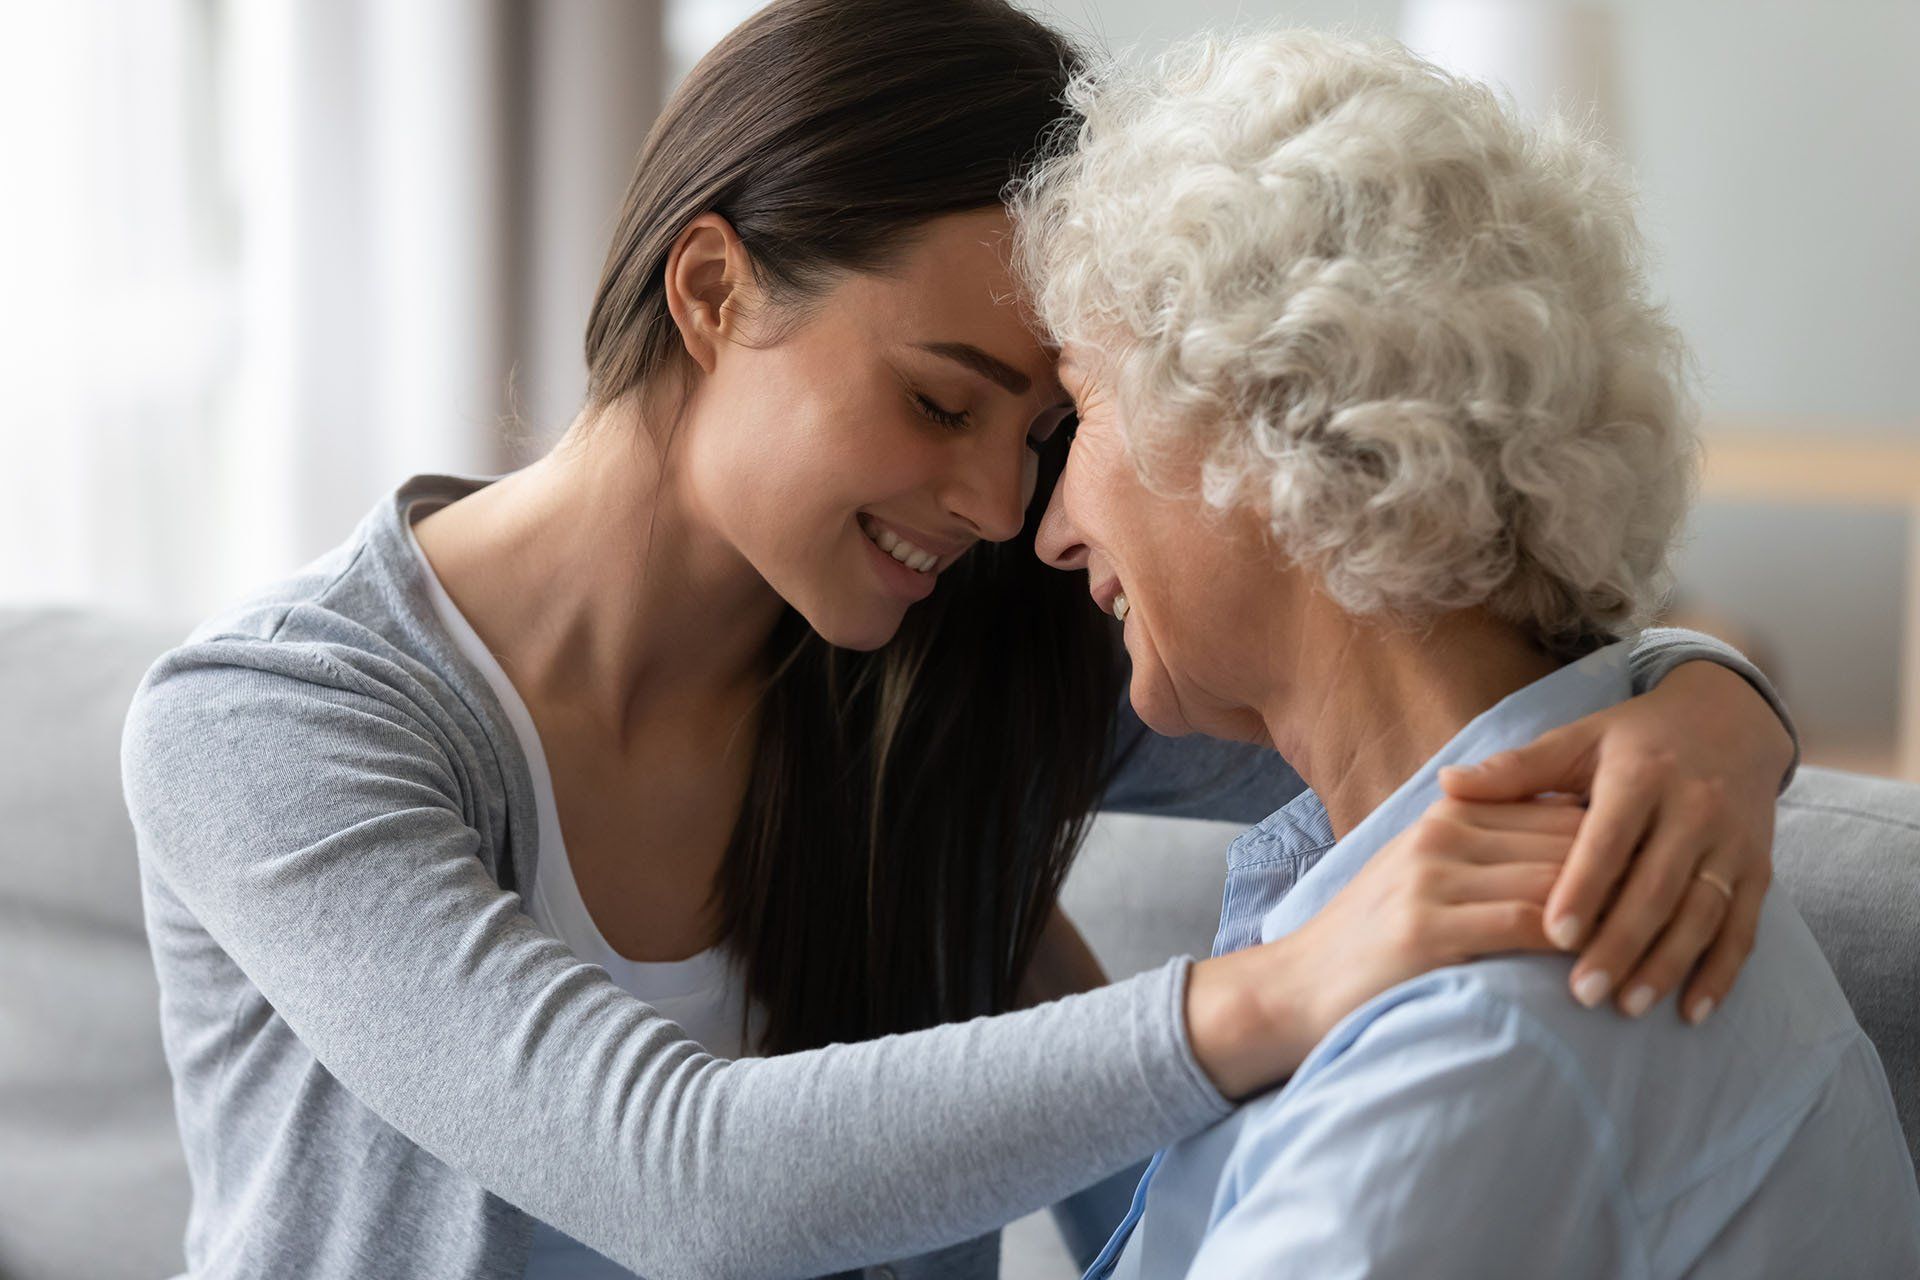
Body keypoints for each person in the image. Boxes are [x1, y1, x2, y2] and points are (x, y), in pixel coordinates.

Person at [121, 4, 1797, 1278]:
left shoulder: (959, 659)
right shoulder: (269, 724)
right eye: (940, 403)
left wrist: (1709, 713)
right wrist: (1268, 995)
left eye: (1048, 439)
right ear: (714, 292)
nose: (1002, 509)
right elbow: (677, 1171)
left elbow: (1431, 675)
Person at [1013, 28, 1920, 1277]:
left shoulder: (1490, 1018)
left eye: (1079, 411)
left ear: (1269, 416)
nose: (1052, 527)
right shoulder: (1424, 874)